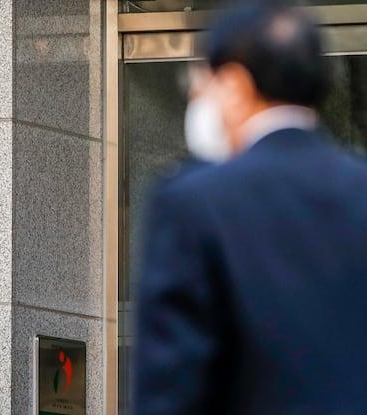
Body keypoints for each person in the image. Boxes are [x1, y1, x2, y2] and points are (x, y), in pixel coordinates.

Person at [134, 2, 367, 414]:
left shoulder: (192, 202)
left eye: (204, 83)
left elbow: (170, 388)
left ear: (236, 84)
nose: (199, 98)